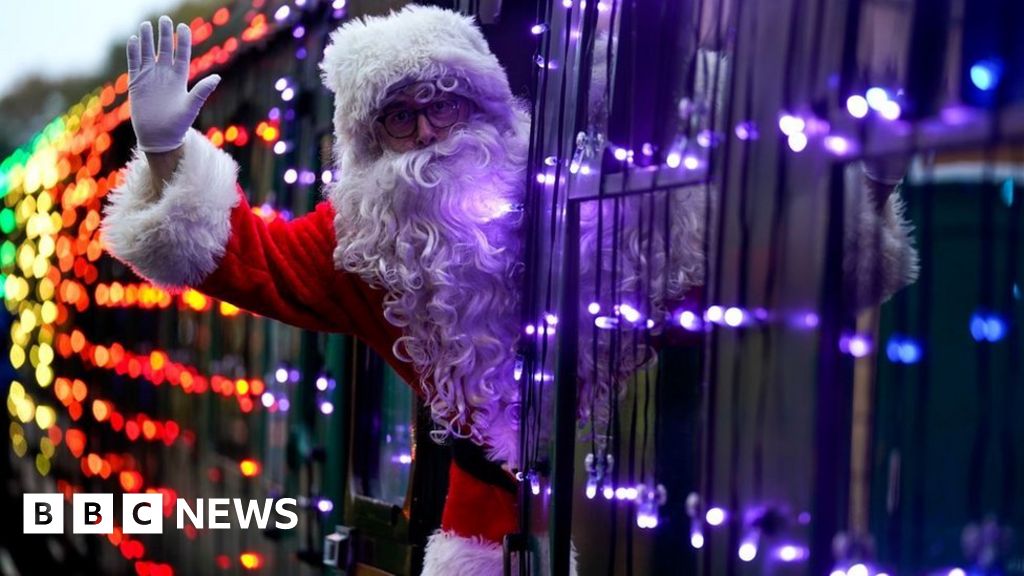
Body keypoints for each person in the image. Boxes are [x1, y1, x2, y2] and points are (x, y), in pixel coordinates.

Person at [101, 6, 917, 575]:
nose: (427, 133)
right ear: (369, 139)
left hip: (635, 509)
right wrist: (170, 152)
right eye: (399, 117)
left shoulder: (600, 212)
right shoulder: (358, 241)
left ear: (485, 106)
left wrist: (862, 188)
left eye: (445, 104)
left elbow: (764, 265)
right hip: (474, 534)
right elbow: (243, 254)